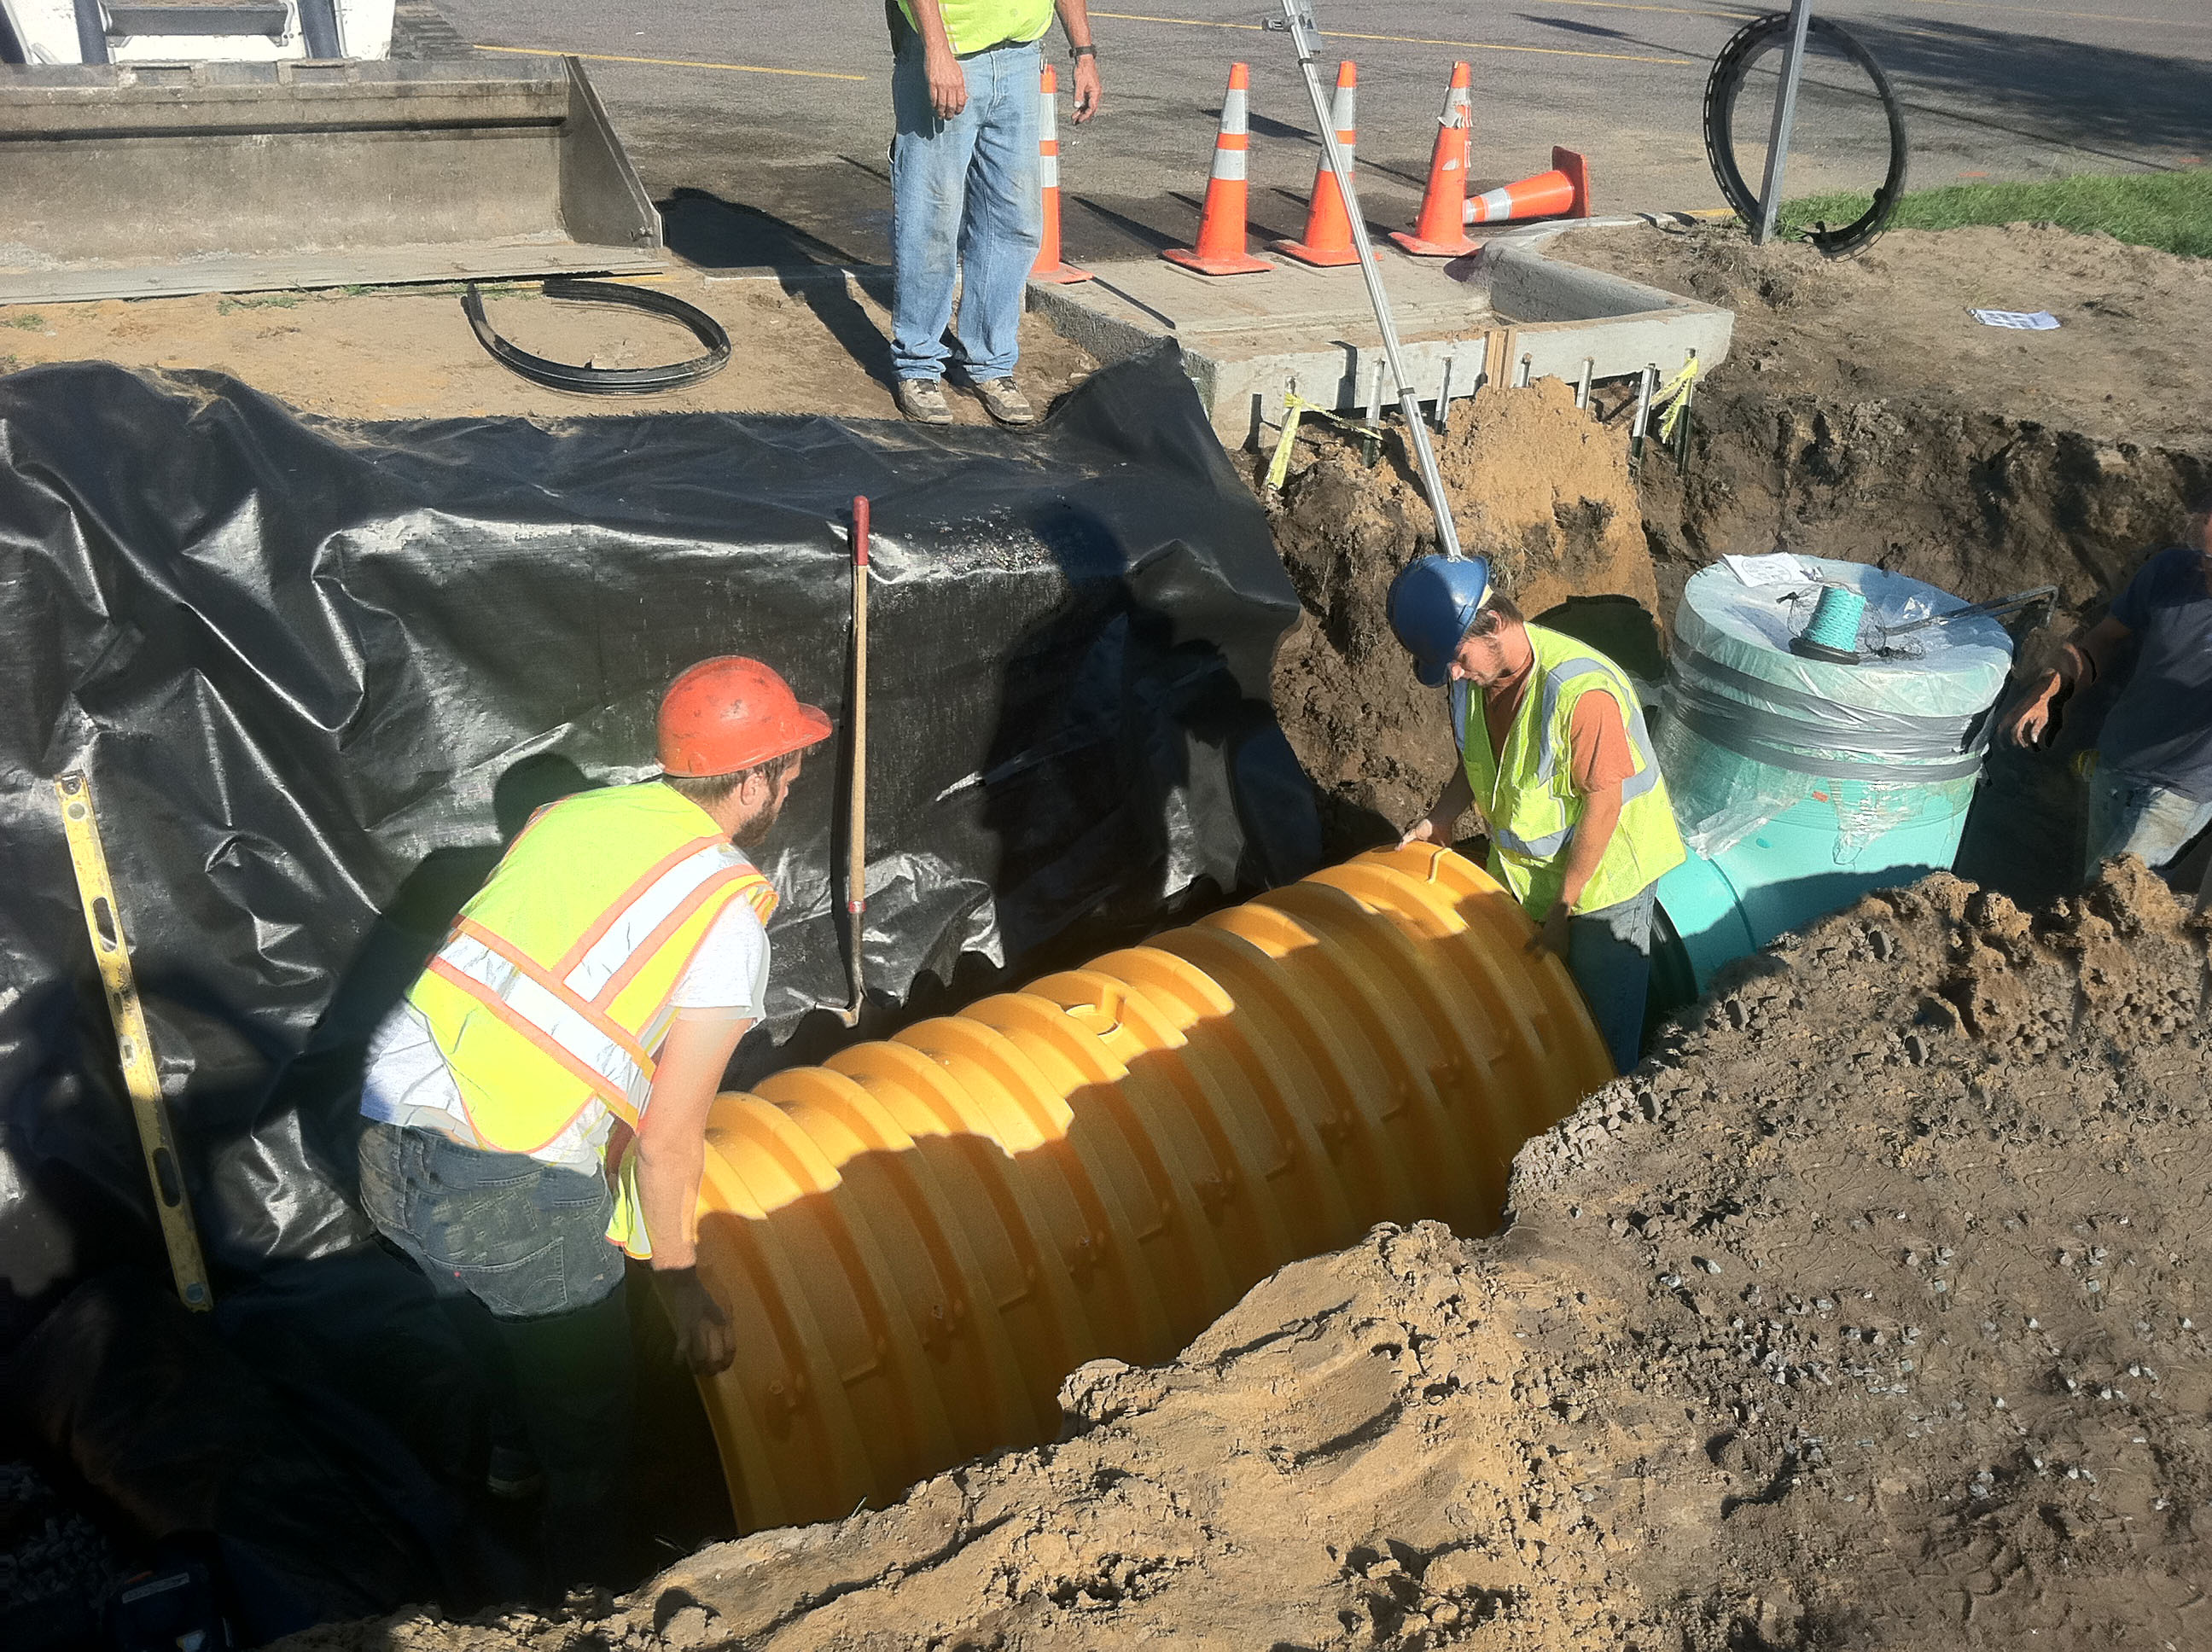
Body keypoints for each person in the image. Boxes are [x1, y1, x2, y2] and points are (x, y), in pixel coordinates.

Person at [354, 656, 830, 1590]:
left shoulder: (571, 818)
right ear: (745, 783)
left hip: (382, 1141)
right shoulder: (727, 919)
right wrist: (681, 1283)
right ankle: (590, 1594)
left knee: (485, 1315)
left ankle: (507, 1466)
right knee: (591, 1428)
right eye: (787, 768)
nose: (794, 782)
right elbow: (669, 1138)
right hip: (505, 1182)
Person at [1388, 555, 1685, 1076]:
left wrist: (1563, 910)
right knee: (1539, 1018)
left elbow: (1604, 804)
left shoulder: (1579, 693)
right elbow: (1477, 757)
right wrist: (1442, 816)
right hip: (1532, 879)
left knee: (1600, 1039)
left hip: (1603, 889)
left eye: (1457, 657)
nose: (1454, 674)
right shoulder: (1473, 681)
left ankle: (1605, 1136)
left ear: (1496, 624)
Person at [887, 0, 1101, 427]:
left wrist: (1084, 53)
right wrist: (937, 50)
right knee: (930, 218)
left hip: (1020, 56)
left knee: (1013, 219)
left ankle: (991, 362)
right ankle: (918, 363)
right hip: (950, 53)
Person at [2000, 496, 2212, 881]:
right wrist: (2054, 691)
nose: (2205, 570)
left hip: (2184, 789)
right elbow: (2102, 641)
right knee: (2092, 900)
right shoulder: (2170, 572)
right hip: (2116, 763)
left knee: (2106, 900)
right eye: (2205, 556)